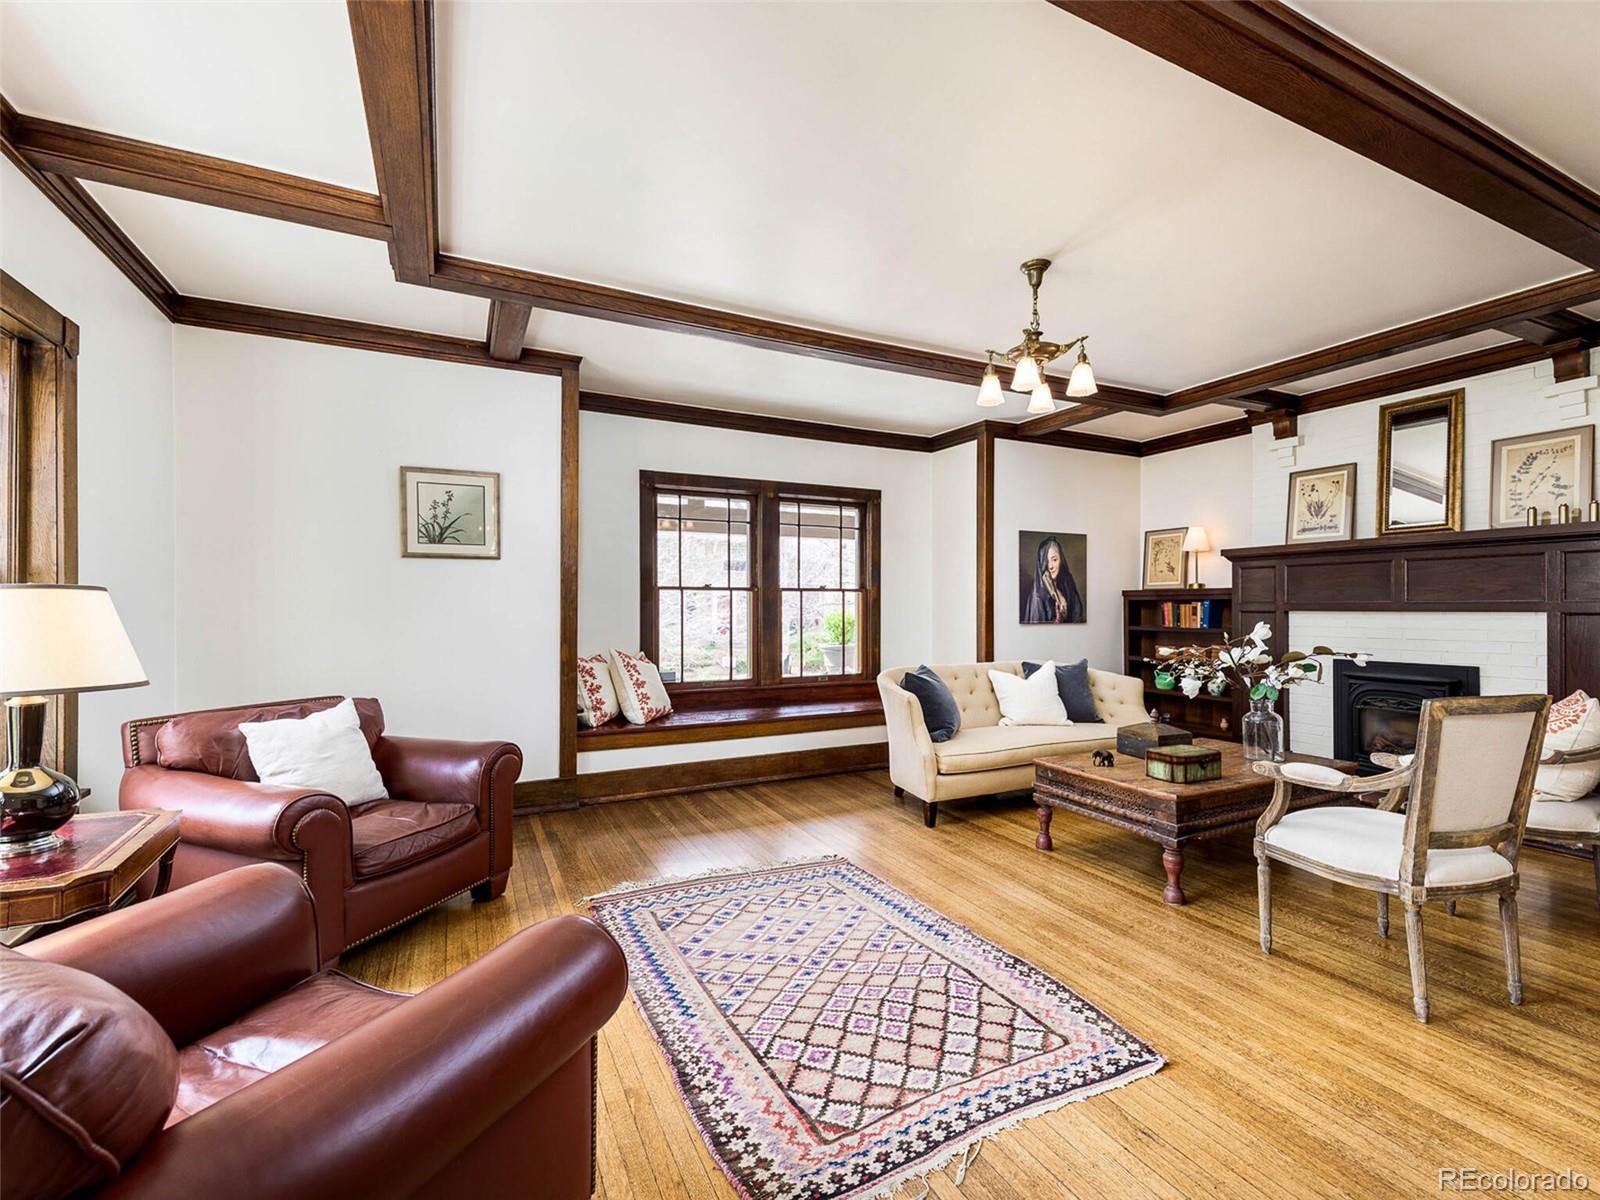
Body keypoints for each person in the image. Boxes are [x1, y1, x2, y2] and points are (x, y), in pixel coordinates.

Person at [1022, 536, 1084, 624]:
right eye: (1046, 562)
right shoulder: (1037, 596)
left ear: (1060, 559)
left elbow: (1077, 615)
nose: (1050, 566)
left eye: (1054, 560)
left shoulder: (1067, 583)